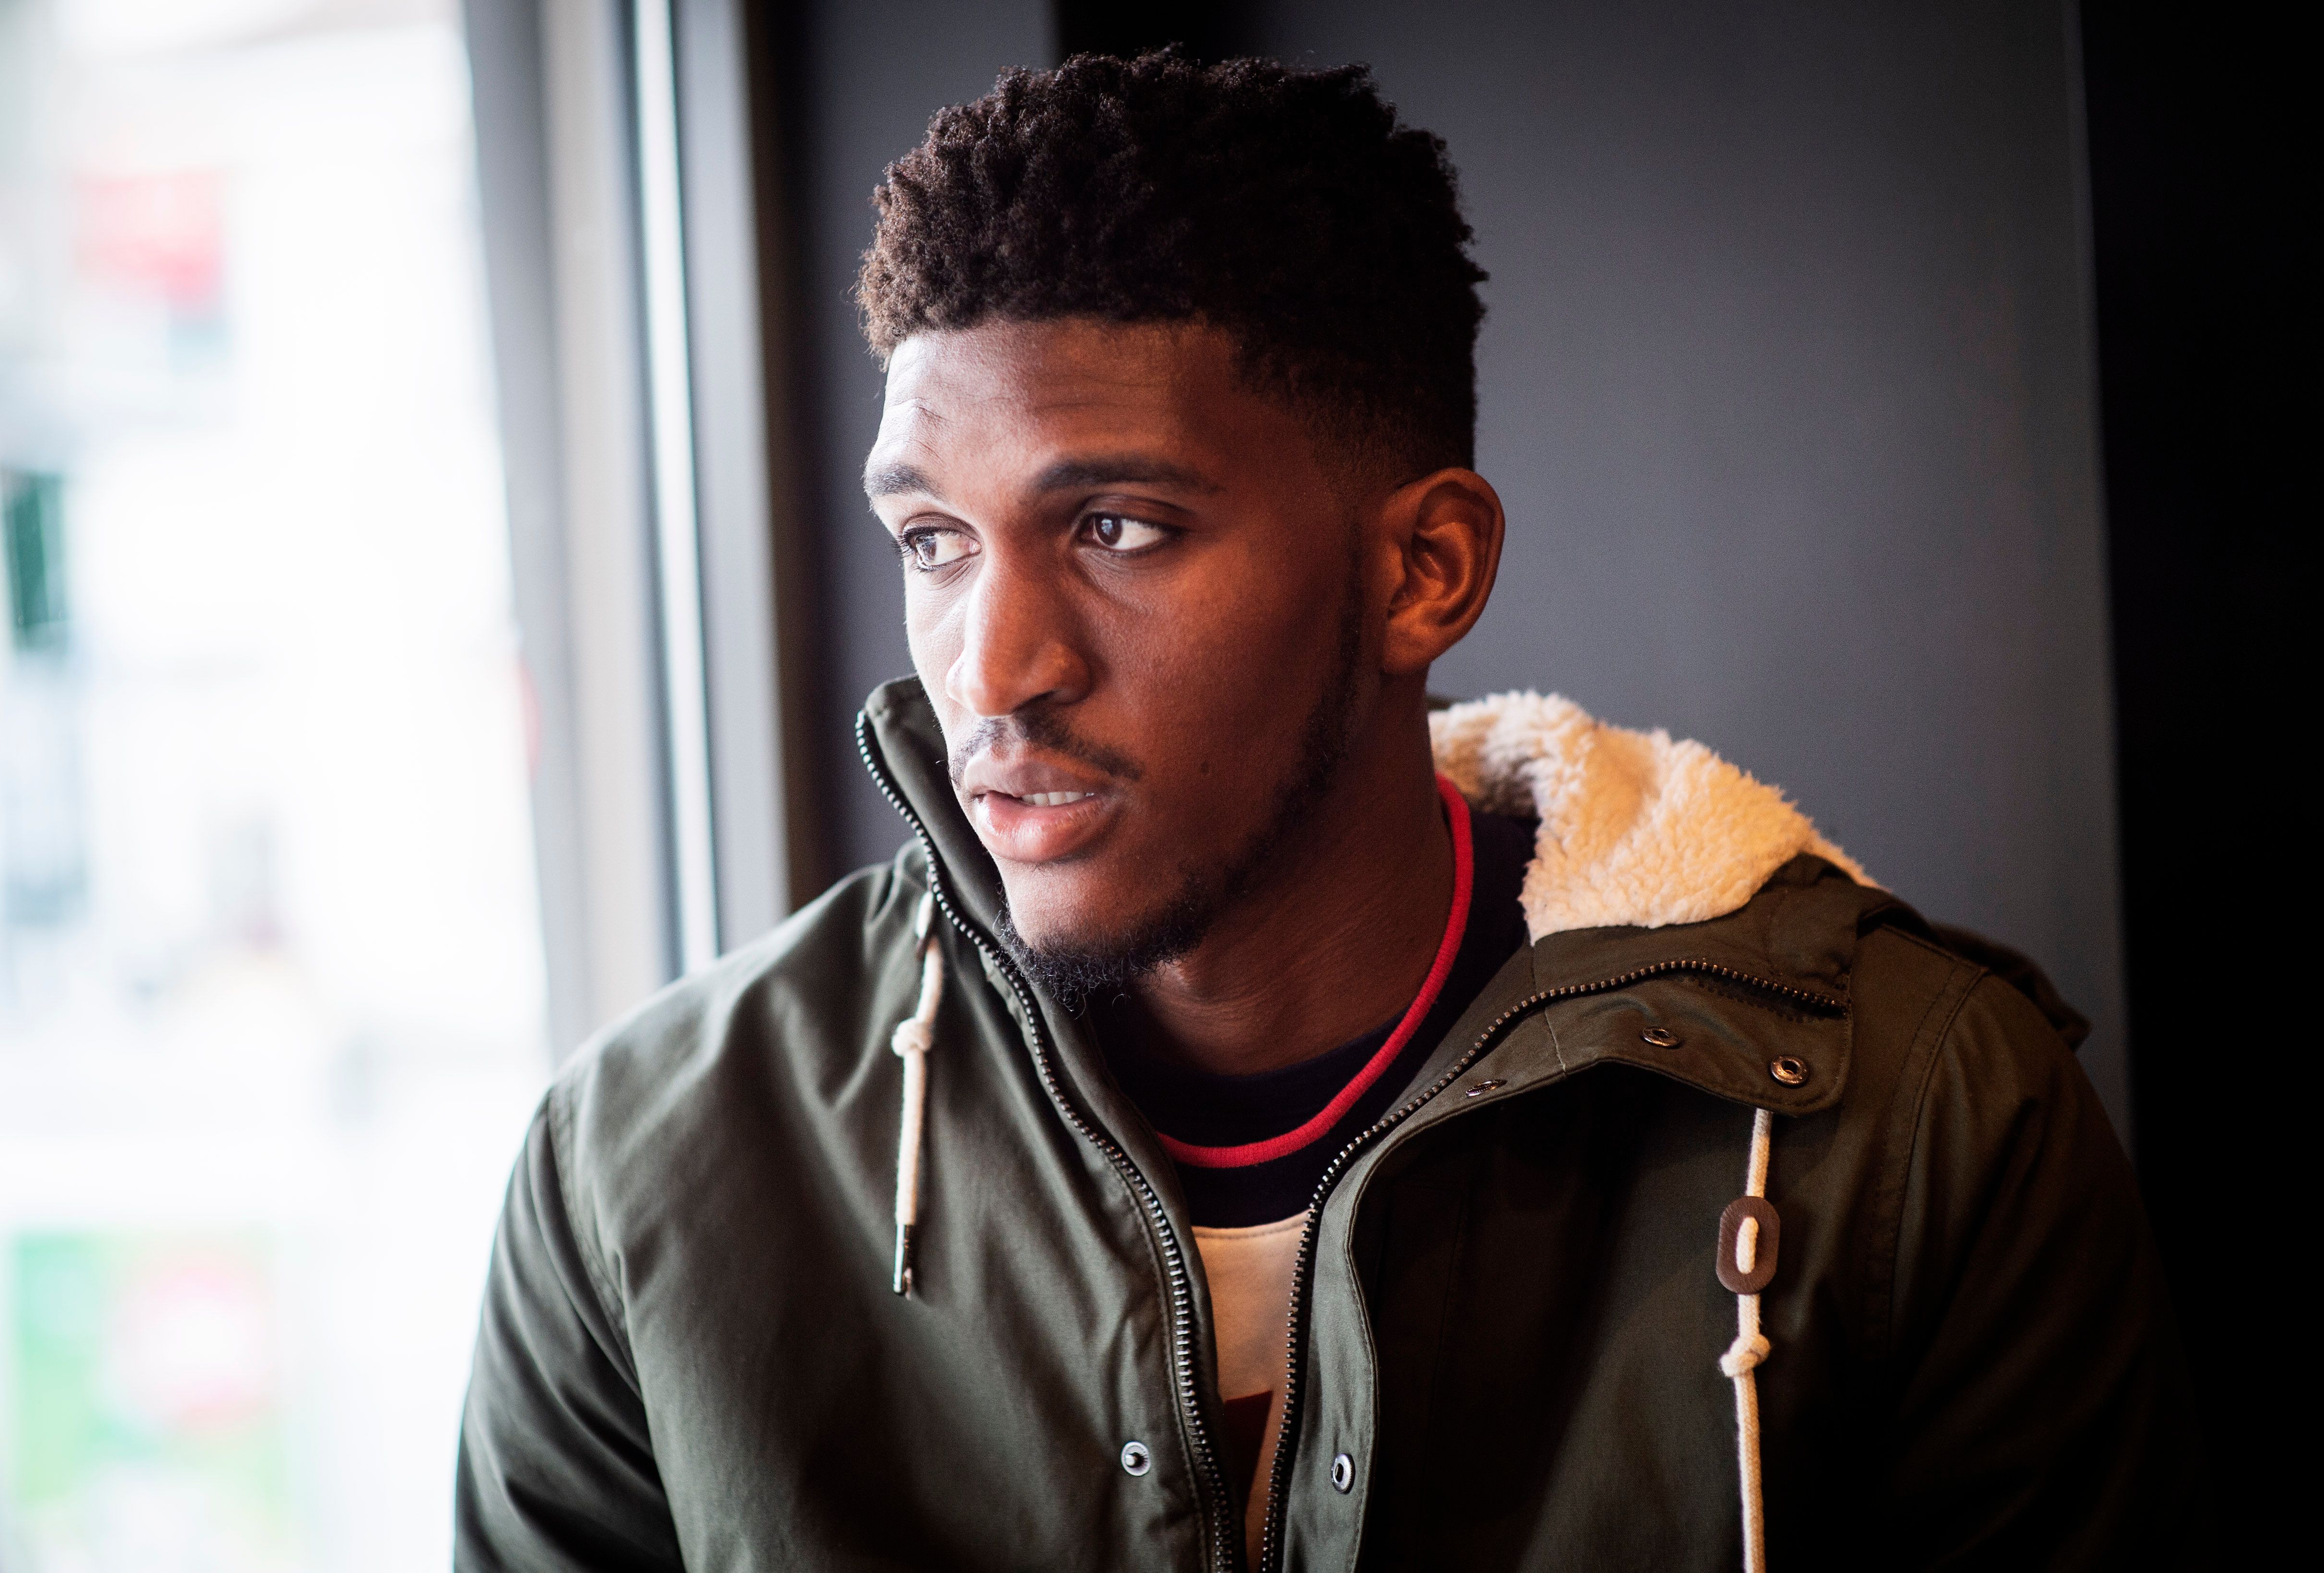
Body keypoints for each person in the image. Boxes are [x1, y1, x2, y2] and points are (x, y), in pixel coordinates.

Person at [456, 51, 2199, 1572]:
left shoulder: (1915, 1130)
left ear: (1424, 570)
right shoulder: (646, 1175)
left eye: (1117, 528)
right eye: (934, 540)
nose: (992, 669)